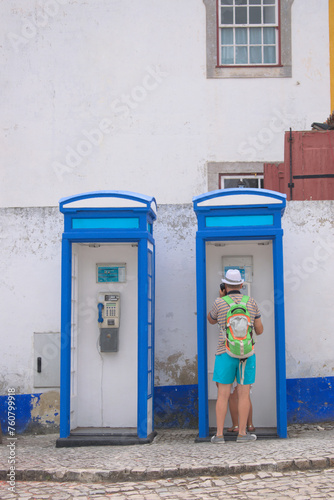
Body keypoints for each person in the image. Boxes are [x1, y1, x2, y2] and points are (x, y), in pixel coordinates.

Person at [207, 269, 263, 443]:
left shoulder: (219, 302)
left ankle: (219, 436)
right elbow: (259, 330)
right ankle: (242, 434)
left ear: (225, 285)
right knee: (244, 394)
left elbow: (210, 319)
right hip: (247, 353)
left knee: (223, 394)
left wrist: (221, 297)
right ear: (241, 285)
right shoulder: (251, 302)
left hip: (225, 352)